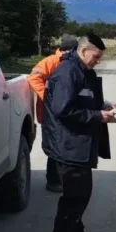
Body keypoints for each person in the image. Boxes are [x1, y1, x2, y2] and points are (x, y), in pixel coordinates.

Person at [41, 33, 115, 232]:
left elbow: (83, 101)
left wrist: (103, 107)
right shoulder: (66, 73)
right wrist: (97, 115)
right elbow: (63, 110)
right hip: (69, 145)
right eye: (96, 56)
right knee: (74, 197)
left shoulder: (83, 71)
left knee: (81, 193)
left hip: (80, 143)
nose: (98, 61)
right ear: (84, 51)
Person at [27, 34, 79, 193]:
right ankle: (54, 181)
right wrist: (49, 98)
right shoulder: (51, 62)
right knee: (55, 147)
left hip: (63, 113)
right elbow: (34, 77)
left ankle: (63, 179)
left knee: (64, 145)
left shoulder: (70, 63)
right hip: (50, 114)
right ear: (69, 50)